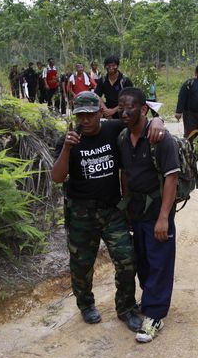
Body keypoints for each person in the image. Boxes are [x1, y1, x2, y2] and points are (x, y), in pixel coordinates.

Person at [51, 91, 165, 333]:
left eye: (90, 115)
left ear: (100, 113)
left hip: (112, 210)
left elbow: (141, 121)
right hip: (81, 213)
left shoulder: (114, 129)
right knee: (81, 264)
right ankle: (86, 305)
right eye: (80, 116)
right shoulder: (70, 140)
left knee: (127, 260)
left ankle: (126, 308)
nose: (85, 120)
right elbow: (57, 177)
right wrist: (67, 149)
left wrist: (157, 120)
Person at [118, 87, 180, 343]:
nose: (124, 113)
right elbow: (124, 173)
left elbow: (171, 178)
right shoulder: (123, 137)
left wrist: (164, 217)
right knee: (142, 260)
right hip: (136, 210)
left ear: (144, 109)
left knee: (159, 261)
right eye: (121, 108)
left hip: (157, 211)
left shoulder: (161, 139)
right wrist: (126, 206)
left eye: (130, 108)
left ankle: (155, 315)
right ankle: (149, 299)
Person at [95, 55, 134, 119]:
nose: (111, 68)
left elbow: (130, 98)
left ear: (117, 66)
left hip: (123, 111)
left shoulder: (125, 80)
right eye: (108, 65)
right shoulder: (102, 80)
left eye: (113, 65)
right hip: (107, 111)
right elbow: (97, 96)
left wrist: (113, 111)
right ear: (105, 66)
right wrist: (106, 110)